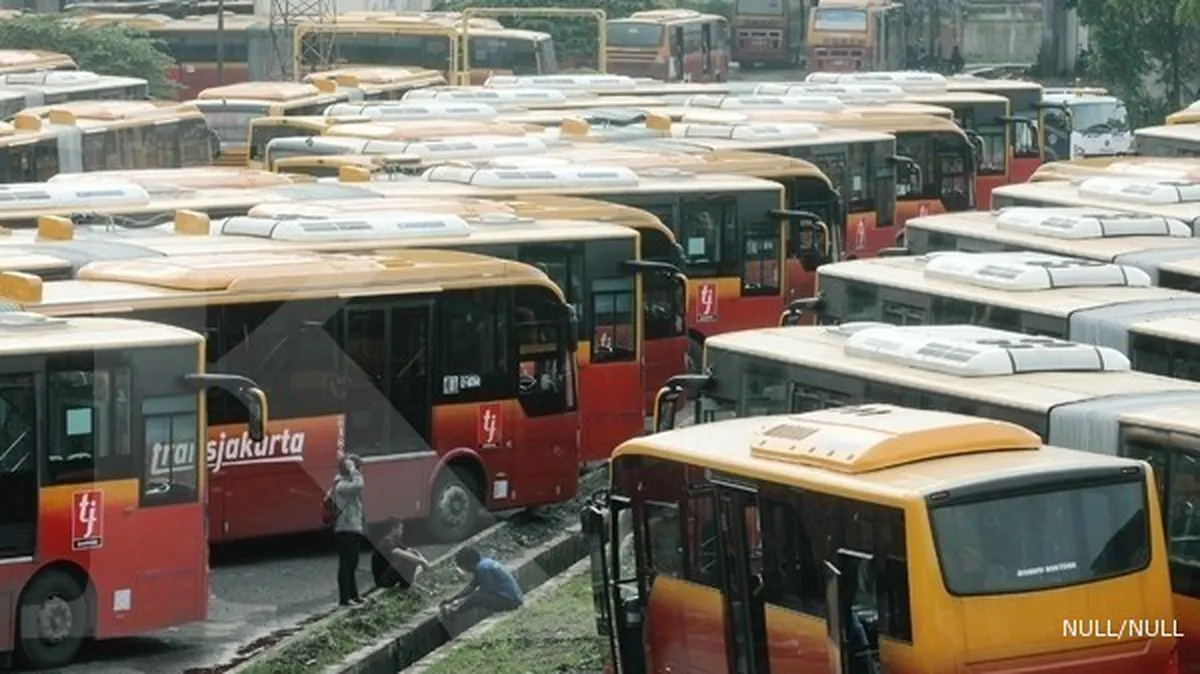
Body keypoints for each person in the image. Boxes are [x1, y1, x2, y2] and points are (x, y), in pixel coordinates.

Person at [439, 546, 523, 620]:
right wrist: (453, 598)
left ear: (468, 564)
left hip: (510, 600)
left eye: (462, 567)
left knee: (477, 597)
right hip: (513, 597)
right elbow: (471, 587)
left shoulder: (483, 569)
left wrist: (461, 604)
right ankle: (455, 610)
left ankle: (453, 613)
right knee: (475, 596)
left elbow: (485, 590)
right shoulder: (485, 563)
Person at [331, 454, 365, 606]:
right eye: (359, 468)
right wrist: (353, 469)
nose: (360, 471)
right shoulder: (341, 485)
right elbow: (359, 485)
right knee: (346, 564)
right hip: (345, 529)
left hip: (353, 528)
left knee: (353, 563)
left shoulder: (345, 483)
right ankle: (345, 598)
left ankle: (354, 594)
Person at [371, 517, 430, 590]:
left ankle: (408, 585)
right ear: (393, 529)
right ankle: (405, 587)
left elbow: (412, 551)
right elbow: (400, 553)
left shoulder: (395, 540)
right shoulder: (386, 542)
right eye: (401, 529)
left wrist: (422, 559)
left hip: (389, 573)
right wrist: (421, 561)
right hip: (382, 580)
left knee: (411, 557)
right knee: (406, 560)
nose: (402, 531)